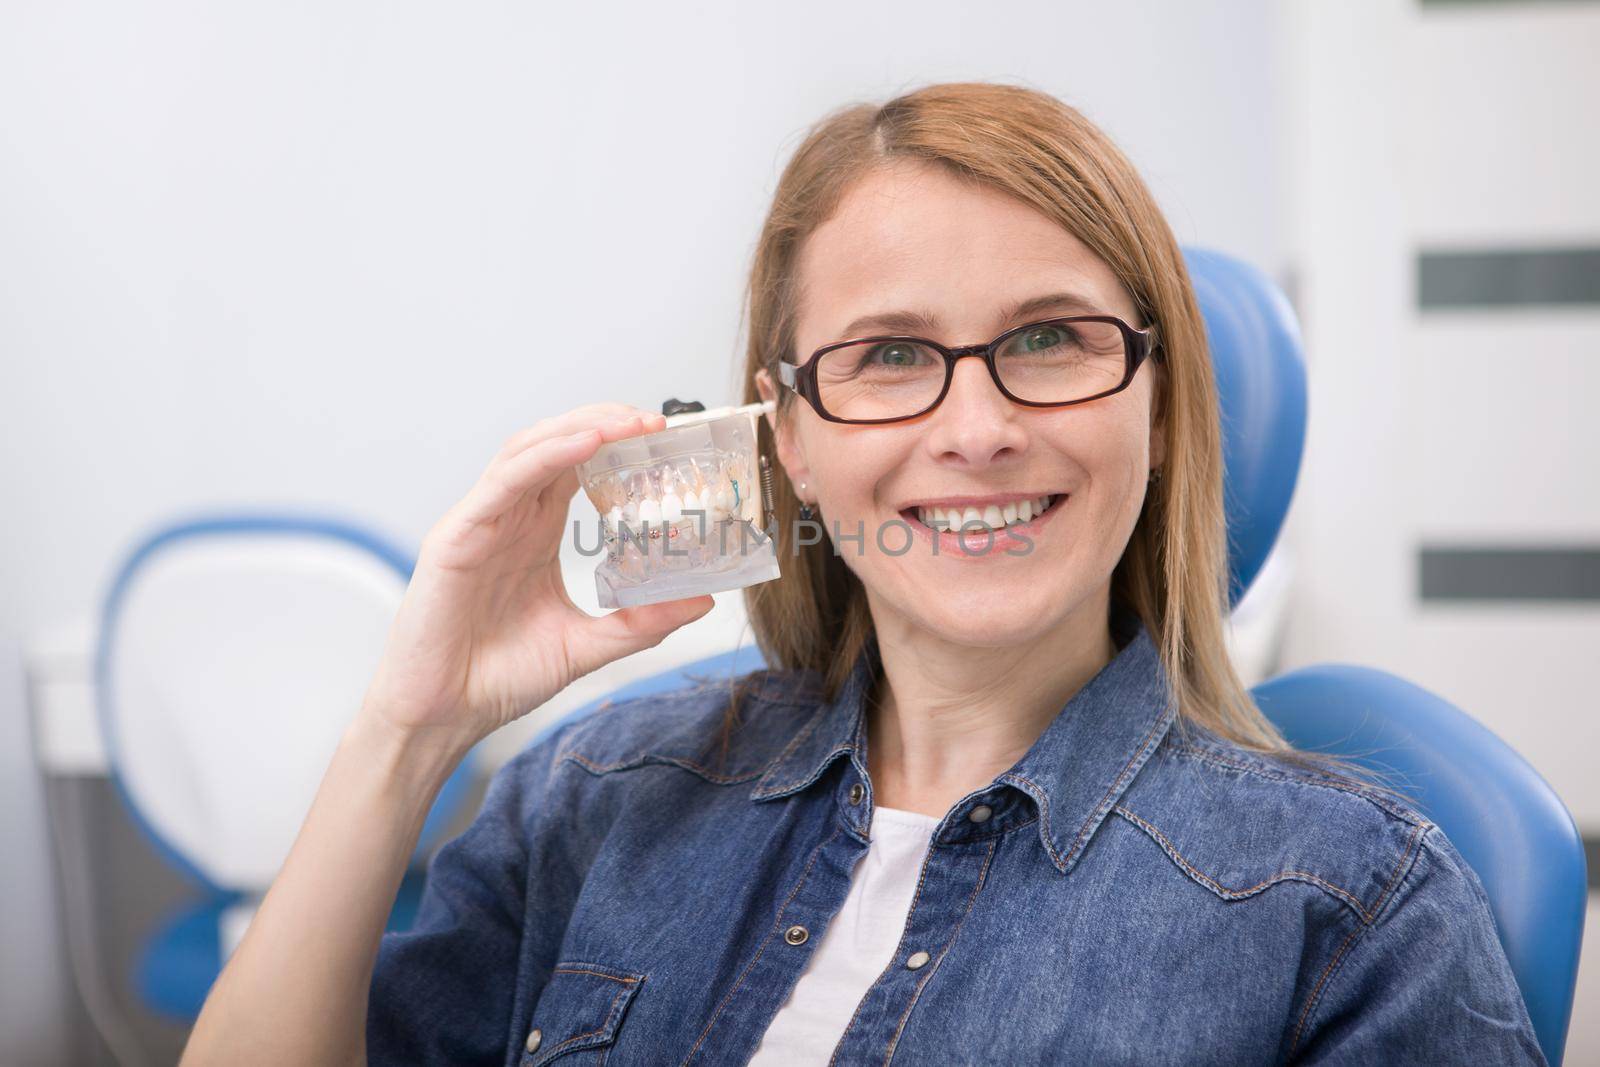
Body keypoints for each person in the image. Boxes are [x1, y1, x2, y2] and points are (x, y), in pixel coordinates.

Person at [180, 82, 1547, 1066]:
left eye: (1052, 339)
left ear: (1159, 408)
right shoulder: (598, 794)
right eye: (890, 357)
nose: (977, 427)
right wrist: (408, 730)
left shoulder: (1356, 903)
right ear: (794, 443)